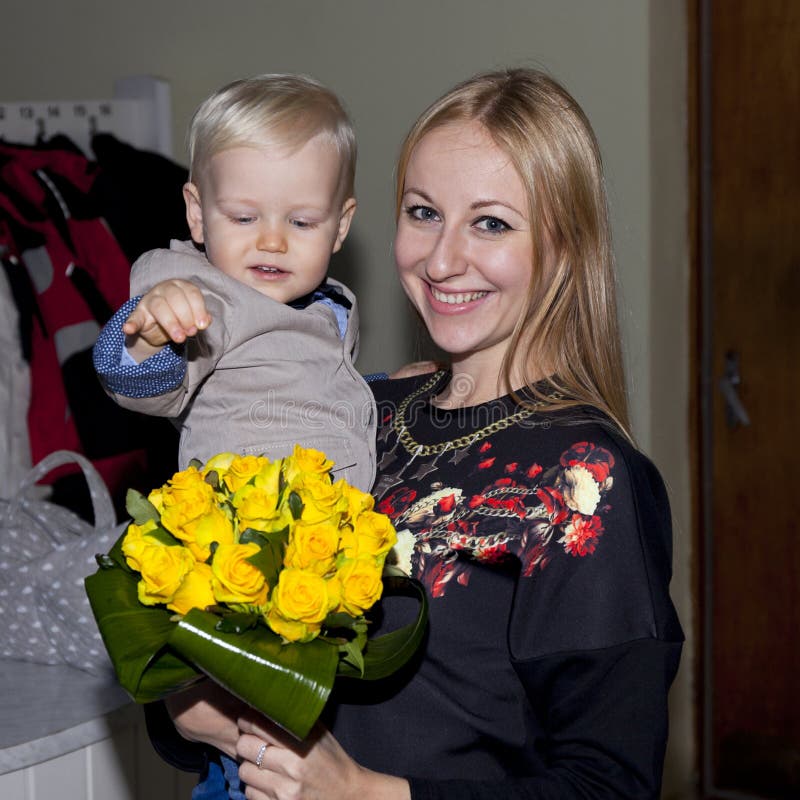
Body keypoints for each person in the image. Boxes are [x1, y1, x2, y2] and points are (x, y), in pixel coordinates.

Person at [145, 67, 684, 799]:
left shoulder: (586, 481)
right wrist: (185, 711)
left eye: (490, 222)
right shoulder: (361, 410)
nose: (441, 259)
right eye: (424, 212)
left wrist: (370, 794)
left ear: (564, 244)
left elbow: (608, 785)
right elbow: (223, 658)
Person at [93, 73, 376, 493]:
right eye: (244, 218)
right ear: (197, 214)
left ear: (339, 226)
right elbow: (148, 392)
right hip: (242, 531)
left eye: (302, 222)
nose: (272, 241)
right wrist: (150, 339)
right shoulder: (202, 299)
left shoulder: (323, 304)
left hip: (326, 531)